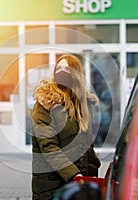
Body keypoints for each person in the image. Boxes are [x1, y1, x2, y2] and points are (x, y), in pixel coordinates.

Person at [31, 54, 101, 200]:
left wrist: (93, 168)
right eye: (59, 68)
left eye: (67, 69)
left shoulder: (83, 104)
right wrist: (74, 174)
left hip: (79, 184)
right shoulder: (46, 103)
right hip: (52, 187)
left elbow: (85, 145)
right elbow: (49, 147)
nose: (61, 72)